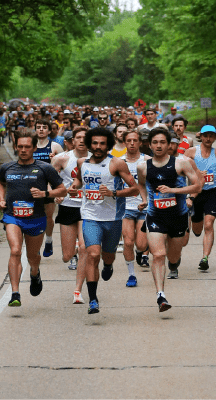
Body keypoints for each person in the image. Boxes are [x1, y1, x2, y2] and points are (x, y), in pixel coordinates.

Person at [71, 127, 142, 314]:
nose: (98, 147)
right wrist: (73, 187)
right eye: (95, 143)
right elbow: (79, 180)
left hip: (113, 218)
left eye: (102, 143)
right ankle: (93, 299)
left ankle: (109, 264)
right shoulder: (82, 162)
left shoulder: (117, 164)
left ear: (108, 145)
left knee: (107, 256)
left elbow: (135, 189)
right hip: (90, 216)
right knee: (92, 254)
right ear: (89, 144)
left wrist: (113, 193)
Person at [0, 130, 67, 307]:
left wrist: (45, 193)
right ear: (16, 147)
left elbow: (62, 189)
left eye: (27, 146)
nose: (23, 150)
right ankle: (15, 293)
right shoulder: (7, 168)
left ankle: (35, 273)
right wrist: (2, 199)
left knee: (32, 256)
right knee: (15, 251)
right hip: (13, 217)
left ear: (34, 148)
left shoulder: (45, 168)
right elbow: (0, 182)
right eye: (20, 146)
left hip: (36, 218)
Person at [136, 126, 202, 312]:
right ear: (149, 145)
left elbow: (197, 186)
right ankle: (161, 295)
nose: (158, 146)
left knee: (173, 257)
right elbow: (141, 185)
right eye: (155, 142)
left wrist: (174, 191)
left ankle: (174, 264)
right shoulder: (143, 167)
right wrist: (145, 200)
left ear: (169, 145)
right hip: (155, 216)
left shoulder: (181, 164)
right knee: (158, 255)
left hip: (178, 216)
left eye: (162, 142)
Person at [51, 126, 90, 304]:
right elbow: (49, 182)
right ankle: (73, 248)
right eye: (78, 137)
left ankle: (77, 290)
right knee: (67, 255)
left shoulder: (96, 159)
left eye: (85, 137)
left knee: (84, 248)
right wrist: (55, 195)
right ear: (71, 140)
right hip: (68, 207)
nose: (82, 140)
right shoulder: (62, 159)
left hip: (88, 208)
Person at [185, 125, 216, 271]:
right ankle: (196, 222)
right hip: (195, 193)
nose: (208, 138)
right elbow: (181, 169)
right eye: (205, 136)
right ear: (200, 136)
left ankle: (205, 258)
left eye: (211, 135)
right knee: (197, 230)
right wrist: (196, 174)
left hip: (211, 193)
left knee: (209, 224)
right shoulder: (191, 152)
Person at [119, 129, 149, 285]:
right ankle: (131, 275)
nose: (132, 143)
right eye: (129, 140)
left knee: (142, 244)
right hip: (125, 208)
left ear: (140, 143)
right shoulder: (118, 162)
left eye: (135, 140)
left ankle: (141, 253)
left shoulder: (147, 160)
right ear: (124, 142)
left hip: (144, 208)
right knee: (128, 242)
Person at [31, 119, 65, 258]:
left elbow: (64, 168)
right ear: (35, 129)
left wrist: (59, 189)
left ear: (49, 130)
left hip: (49, 187)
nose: (41, 130)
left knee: (48, 217)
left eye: (44, 127)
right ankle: (37, 244)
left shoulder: (55, 146)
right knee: (34, 217)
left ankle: (49, 240)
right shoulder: (30, 146)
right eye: (38, 127)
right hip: (32, 186)